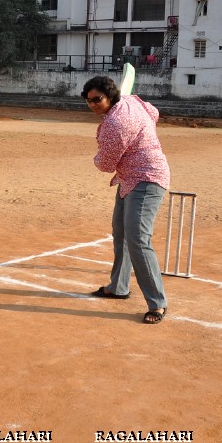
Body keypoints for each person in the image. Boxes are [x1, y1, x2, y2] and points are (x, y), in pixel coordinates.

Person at [81, 75, 171, 324]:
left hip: (147, 178)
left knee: (138, 240)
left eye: (97, 99)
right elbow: (154, 113)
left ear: (110, 96)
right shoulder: (132, 101)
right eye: (88, 101)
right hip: (129, 178)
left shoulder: (115, 124)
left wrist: (97, 158)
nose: (93, 105)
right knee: (120, 232)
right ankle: (118, 287)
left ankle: (157, 303)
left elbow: (105, 164)